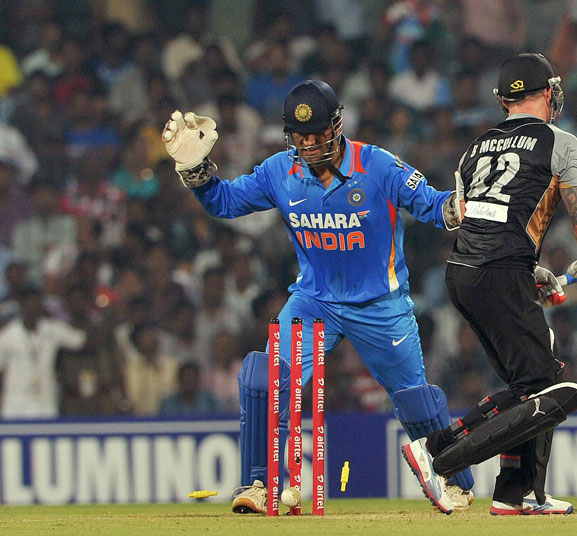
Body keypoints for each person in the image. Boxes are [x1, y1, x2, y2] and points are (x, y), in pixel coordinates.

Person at [161, 79, 474, 514]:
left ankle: (455, 481)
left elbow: (431, 205)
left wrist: (457, 207)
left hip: (380, 304)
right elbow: (225, 202)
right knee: (265, 377)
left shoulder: (378, 165)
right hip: (314, 301)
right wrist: (197, 173)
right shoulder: (279, 171)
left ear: (336, 126)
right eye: (298, 135)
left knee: (414, 400)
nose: (307, 144)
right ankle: (260, 484)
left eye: (316, 134)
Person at [401, 53, 577, 515]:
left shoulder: (475, 147)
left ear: (504, 100)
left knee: (530, 381)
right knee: (542, 384)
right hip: (499, 270)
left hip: (462, 271)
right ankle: (436, 451)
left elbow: (480, 217)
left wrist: (529, 271)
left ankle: (513, 494)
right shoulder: (561, 143)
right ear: (548, 93)